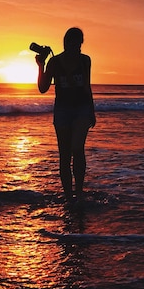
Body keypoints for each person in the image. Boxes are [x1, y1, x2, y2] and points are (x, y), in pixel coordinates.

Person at [36, 27, 96, 204]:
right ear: (66, 42)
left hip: (82, 108)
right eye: (74, 43)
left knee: (77, 148)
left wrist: (92, 110)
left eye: (79, 44)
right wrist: (41, 66)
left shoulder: (85, 61)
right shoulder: (55, 62)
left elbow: (87, 86)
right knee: (64, 155)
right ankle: (69, 197)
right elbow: (43, 88)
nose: (77, 47)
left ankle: (79, 192)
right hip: (62, 109)